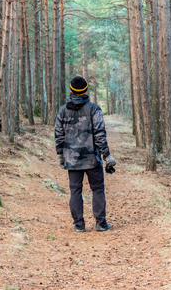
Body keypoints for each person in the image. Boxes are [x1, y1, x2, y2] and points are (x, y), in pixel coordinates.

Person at [54, 76, 116, 232]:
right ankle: (101, 223)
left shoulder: (62, 110)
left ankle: (79, 224)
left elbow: (58, 135)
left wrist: (61, 155)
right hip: (92, 159)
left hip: (72, 159)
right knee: (98, 189)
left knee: (75, 190)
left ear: (71, 90)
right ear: (85, 90)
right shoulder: (94, 109)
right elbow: (100, 133)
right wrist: (106, 155)